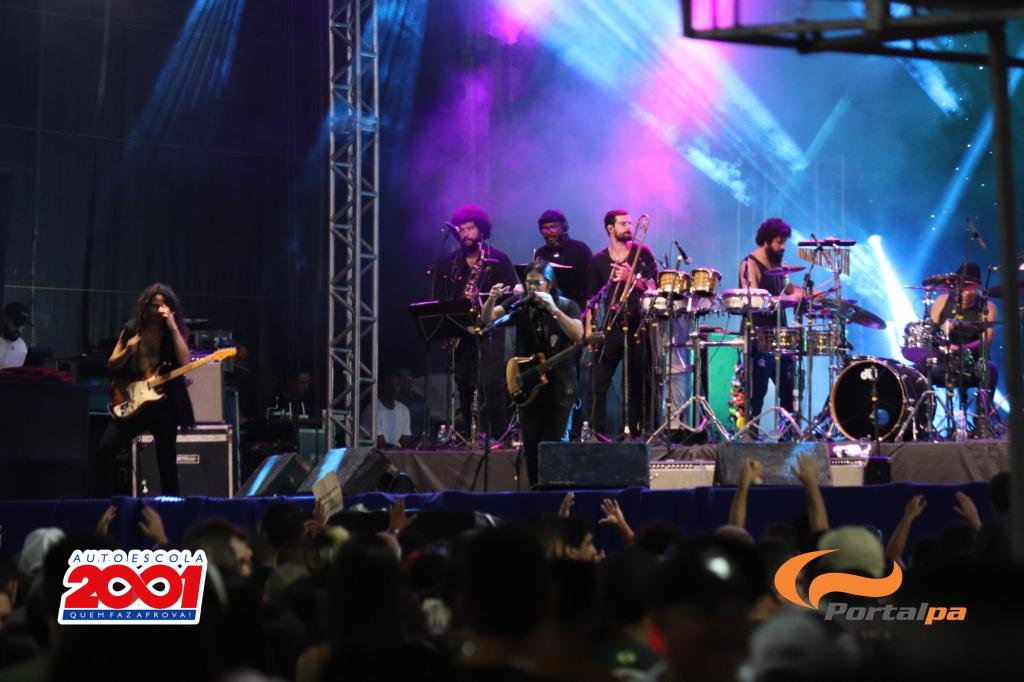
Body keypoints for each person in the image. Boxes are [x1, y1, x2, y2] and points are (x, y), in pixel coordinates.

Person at [482, 261, 583, 486]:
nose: (532, 288)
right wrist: (490, 300)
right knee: (531, 447)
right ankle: (535, 491)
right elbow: (488, 319)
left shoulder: (566, 305)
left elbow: (578, 334)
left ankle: (557, 495)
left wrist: (554, 310)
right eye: (528, 283)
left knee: (555, 448)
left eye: (537, 283)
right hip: (529, 388)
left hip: (559, 388)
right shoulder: (521, 304)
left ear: (549, 284)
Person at [95, 284, 195, 496]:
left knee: (167, 460)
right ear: (145, 306)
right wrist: (128, 350)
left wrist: (173, 327)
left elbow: (185, 361)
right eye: (154, 305)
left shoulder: (171, 331)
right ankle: (105, 504)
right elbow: (112, 363)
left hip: (162, 403)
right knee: (105, 449)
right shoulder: (132, 328)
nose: (158, 310)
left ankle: (171, 507)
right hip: (134, 401)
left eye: (163, 305)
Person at [431, 204, 516, 441]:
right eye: (461, 229)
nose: (465, 233)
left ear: (481, 230)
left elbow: (513, 296)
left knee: (491, 385)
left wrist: (493, 309)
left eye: (470, 228)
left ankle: (496, 437)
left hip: (490, 330)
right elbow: (439, 296)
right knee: (464, 385)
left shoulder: (498, 260)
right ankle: (469, 435)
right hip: (460, 332)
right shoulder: (450, 263)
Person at [586, 209, 658, 438]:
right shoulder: (598, 260)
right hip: (610, 325)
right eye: (623, 223)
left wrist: (633, 279)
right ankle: (596, 433)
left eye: (629, 223)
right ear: (610, 228)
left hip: (638, 325)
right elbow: (591, 300)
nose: (629, 227)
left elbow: (655, 288)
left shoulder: (642, 252)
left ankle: (633, 433)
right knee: (598, 380)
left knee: (635, 382)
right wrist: (589, 331)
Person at [737, 218, 807, 423]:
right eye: (779, 242)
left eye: (784, 242)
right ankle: (751, 436)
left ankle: (787, 436)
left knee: (790, 394)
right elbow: (754, 298)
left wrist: (813, 295)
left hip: (780, 338)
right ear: (766, 241)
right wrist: (789, 299)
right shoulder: (749, 264)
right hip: (757, 338)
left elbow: (792, 291)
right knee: (755, 396)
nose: (783, 247)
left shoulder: (779, 266)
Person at [924, 261, 999, 419]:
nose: (964, 291)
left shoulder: (987, 306)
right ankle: (923, 420)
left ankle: (981, 423)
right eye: (961, 286)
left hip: (973, 363)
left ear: (978, 286)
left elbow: (987, 340)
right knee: (918, 371)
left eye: (969, 286)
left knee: (991, 370)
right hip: (943, 361)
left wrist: (962, 348)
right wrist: (942, 331)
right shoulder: (942, 301)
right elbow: (930, 333)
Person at [532, 209, 593, 310]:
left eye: (553, 227)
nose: (548, 232)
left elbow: (589, 287)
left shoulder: (580, 249)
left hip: (576, 310)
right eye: (544, 229)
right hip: (548, 311)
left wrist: (588, 316)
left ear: (563, 227)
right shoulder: (540, 253)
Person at [372, 373, 413, 449]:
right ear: (381, 387)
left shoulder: (404, 410)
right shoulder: (372, 409)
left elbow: (406, 440)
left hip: (396, 452)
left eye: (397, 385)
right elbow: (380, 444)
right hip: (375, 454)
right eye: (390, 385)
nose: (394, 389)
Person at [0, 302, 31, 369]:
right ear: (5, 319)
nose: (19, 329)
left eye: (22, 325)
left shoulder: (22, 347)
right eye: (16, 323)